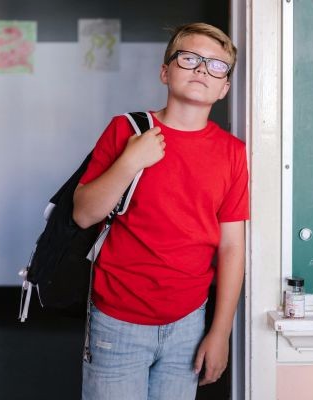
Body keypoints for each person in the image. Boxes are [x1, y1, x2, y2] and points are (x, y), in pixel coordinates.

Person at [73, 22, 249, 400]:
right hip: (117, 321)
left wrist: (220, 333)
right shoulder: (126, 130)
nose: (202, 69)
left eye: (216, 65)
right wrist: (130, 162)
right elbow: (84, 214)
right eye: (189, 58)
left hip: (188, 322)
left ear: (224, 88)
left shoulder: (233, 153)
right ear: (165, 72)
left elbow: (232, 247)